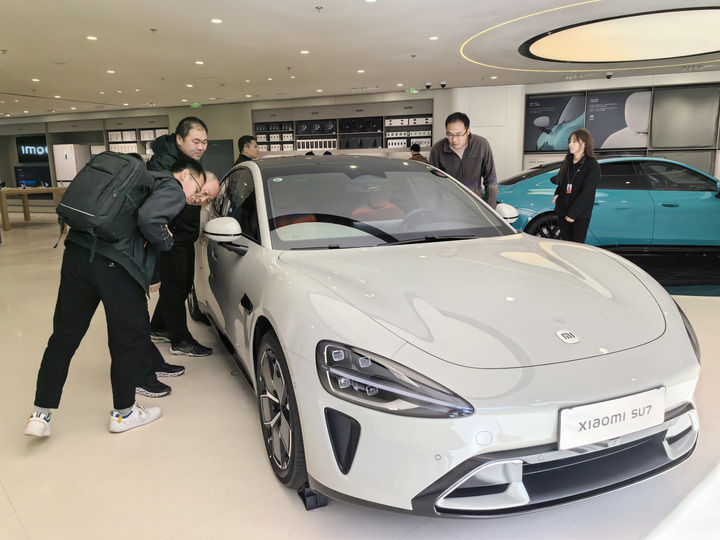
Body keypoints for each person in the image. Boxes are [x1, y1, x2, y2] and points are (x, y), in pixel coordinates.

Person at [23, 156, 198, 437]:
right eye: (199, 190)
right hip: (118, 266)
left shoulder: (132, 180)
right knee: (127, 340)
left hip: (77, 255)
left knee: (64, 336)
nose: (197, 198)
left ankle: (40, 414)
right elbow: (150, 219)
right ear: (186, 175)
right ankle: (124, 414)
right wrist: (166, 241)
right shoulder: (171, 186)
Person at [148, 118, 215, 358]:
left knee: (180, 284)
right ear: (179, 139)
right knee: (176, 286)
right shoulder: (164, 164)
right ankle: (180, 340)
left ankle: (159, 327)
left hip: (184, 234)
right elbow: (155, 204)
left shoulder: (185, 159)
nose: (201, 147)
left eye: (204, 142)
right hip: (171, 236)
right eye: (196, 141)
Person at [429, 112, 498, 208]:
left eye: (458, 135)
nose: (454, 140)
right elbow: (434, 183)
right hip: (447, 207)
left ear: (468, 131)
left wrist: (490, 209)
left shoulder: (481, 145)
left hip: (474, 206)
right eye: (450, 135)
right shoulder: (437, 149)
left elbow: (491, 180)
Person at [552, 128, 600, 243]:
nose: (570, 144)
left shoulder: (591, 165)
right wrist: (557, 193)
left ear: (584, 143)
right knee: (566, 243)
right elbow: (562, 181)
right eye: (570, 141)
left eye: (574, 141)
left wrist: (573, 213)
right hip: (563, 210)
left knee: (576, 246)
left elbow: (587, 192)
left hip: (579, 214)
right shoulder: (567, 162)